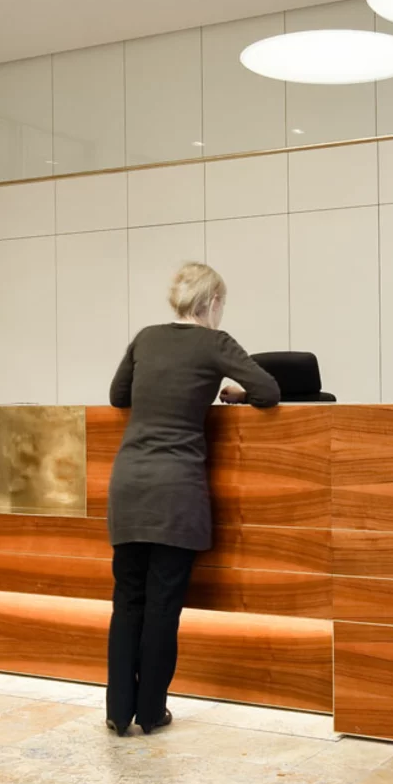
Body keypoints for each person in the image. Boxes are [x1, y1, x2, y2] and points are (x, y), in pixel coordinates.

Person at [103, 262, 280, 737]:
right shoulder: (214, 343)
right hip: (175, 490)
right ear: (213, 302)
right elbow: (268, 390)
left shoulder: (145, 338)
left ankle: (118, 711)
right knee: (162, 604)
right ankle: (150, 712)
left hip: (128, 484)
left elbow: (119, 396)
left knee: (127, 601)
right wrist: (233, 392)